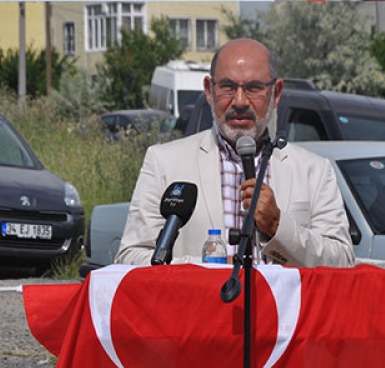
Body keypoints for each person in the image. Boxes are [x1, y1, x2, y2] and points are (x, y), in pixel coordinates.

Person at [114, 38, 355, 268]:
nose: (240, 101)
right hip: (200, 310)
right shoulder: (165, 163)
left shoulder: (314, 171)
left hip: (282, 311)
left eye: (253, 88)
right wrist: (207, 270)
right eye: (228, 87)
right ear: (209, 90)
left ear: (276, 93)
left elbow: (342, 262)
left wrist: (278, 226)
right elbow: (130, 257)